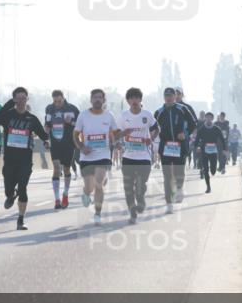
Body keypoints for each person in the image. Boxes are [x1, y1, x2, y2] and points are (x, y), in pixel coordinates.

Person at [0, 87, 50, 230]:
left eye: (24, 98)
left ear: (27, 99)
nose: (22, 101)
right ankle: (11, 195)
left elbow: (43, 135)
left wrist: (47, 142)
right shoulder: (8, 115)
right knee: (8, 190)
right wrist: (9, 104)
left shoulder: (32, 119)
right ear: (14, 99)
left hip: (25, 160)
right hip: (10, 160)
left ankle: (21, 220)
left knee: (23, 188)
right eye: (18, 98)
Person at [73, 88, 119, 225]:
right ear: (91, 100)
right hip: (86, 157)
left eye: (100, 97)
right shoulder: (83, 116)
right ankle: (86, 193)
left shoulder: (109, 116)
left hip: (103, 155)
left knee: (99, 184)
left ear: (104, 100)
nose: (97, 100)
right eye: (95, 97)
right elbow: (75, 135)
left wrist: (117, 142)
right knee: (90, 187)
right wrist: (81, 146)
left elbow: (115, 133)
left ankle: (98, 213)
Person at [117, 87, 158, 224]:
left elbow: (155, 129)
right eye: (131, 98)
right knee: (128, 187)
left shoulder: (147, 114)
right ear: (128, 101)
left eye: (136, 98)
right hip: (128, 157)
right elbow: (116, 134)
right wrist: (124, 133)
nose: (134, 101)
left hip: (144, 157)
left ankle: (140, 198)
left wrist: (151, 139)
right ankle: (132, 213)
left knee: (140, 184)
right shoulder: (124, 116)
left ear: (140, 100)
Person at [155, 87, 196, 213]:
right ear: (164, 97)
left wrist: (185, 133)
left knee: (179, 171)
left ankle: (179, 188)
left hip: (180, 145)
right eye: (166, 95)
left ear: (175, 96)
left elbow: (193, 123)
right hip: (166, 146)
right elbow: (152, 126)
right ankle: (169, 204)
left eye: (171, 95)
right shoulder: (159, 112)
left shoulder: (182, 109)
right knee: (167, 176)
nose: (169, 97)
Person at [44, 90, 81, 209]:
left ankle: (65, 194)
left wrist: (71, 122)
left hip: (69, 143)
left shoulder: (73, 109)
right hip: (55, 143)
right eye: (55, 101)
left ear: (63, 98)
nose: (57, 104)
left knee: (66, 169)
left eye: (59, 101)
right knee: (56, 168)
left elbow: (80, 125)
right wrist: (46, 138)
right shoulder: (49, 108)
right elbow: (47, 125)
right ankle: (57, 199)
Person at [195, 112, 227, 193]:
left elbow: (222, 139)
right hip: (204, 150)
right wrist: (197, 146)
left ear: (212, 119)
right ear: (205, 118)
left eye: (210, 118)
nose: (208, 119)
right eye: (207, 117)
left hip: (213, 150)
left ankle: (212, 169)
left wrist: (224, 148)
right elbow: (197, 140)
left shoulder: (216, 129)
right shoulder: (201, 129)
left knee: (213, 170)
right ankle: (208, 187)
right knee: (206, 169)